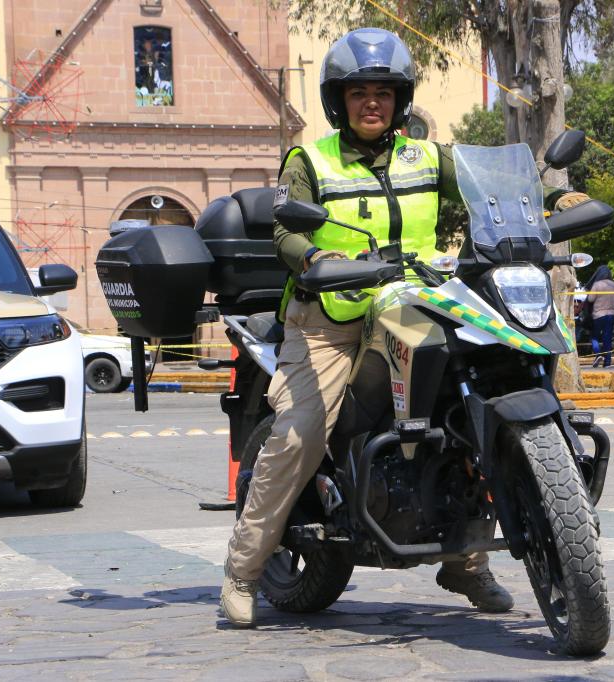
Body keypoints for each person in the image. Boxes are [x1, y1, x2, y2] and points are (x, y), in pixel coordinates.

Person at [220, 28, 590, 628]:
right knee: (301, 431)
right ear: (338, 101)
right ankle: (243, 568)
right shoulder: (310, 160)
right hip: (329, 316)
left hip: (414, 302)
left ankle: (466, 562)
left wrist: (551, 200)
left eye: (385, 92)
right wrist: (315, 261)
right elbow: (286, 231)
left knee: (462, 406)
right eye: (359, 92)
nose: (373, 102)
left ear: (401, 99)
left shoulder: (425, 155)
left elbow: (488, 186)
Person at [585, 265, 614, 367]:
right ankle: (607, 361)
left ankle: (598, 355)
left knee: (594, 336)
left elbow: (590, 299)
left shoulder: (597, 285)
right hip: (611, 315)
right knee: (607, 338)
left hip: (598, 314)